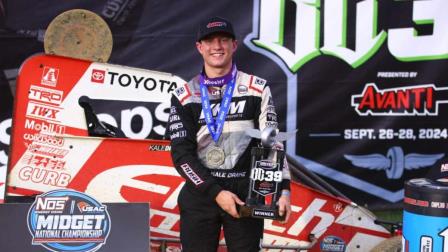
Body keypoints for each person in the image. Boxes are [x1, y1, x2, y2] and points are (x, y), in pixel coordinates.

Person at [167, 16, 292, 252]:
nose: (217, 46)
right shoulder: (184, 95)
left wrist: (283, 191)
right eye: (209, 41)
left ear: (234, 45)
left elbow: (272, 143)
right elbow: (181, 155)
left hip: (245, 191)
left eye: (224, 39)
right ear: (199, 47)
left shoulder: (257, 88)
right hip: (201, 192)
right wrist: (215, 192)